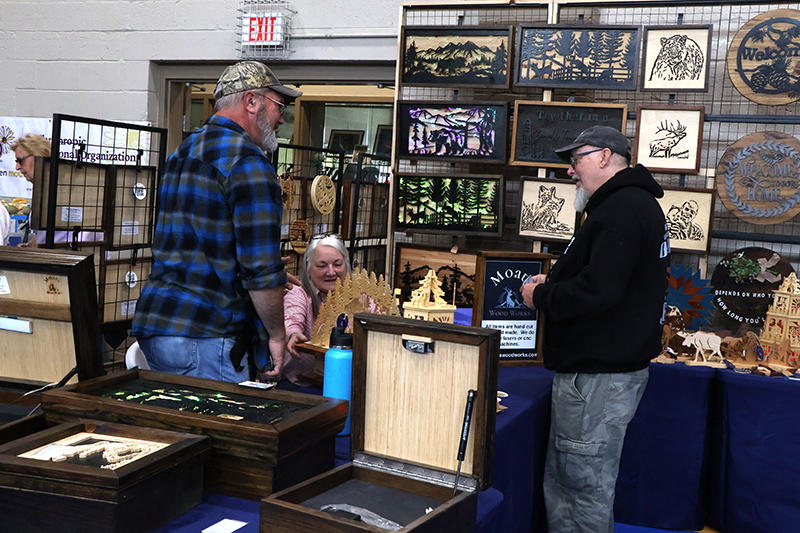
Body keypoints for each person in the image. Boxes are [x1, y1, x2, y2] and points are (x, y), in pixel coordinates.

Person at [520, 125, 670, 533]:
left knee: (580, 489)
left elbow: (599, 291)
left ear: (605, 156)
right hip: (605, 373)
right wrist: (556, 283)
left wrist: (542, 296)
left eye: (576, 160)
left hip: (597, 379)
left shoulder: (620, 209)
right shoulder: (631, 204)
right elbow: (611, 280)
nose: (571, 170)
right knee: (575, 484)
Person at [132, 61, 302, 383]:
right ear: (251, 101)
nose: (282, 118)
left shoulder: (181, 153)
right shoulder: (249, 163)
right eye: (279, 106)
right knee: (219, 418)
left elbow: (197, 246)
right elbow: (260, 272)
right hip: (207, 335)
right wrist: (277, 335)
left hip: (157, 326)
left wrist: (262, 269)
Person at [280, 234, 352, 389]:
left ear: (346, 264)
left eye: (337, 264)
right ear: (308, 267)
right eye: (321, 266)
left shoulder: (359, 295)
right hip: (303, 386)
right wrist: (293, 334)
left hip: (348, 384)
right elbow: (292, 317)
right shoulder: (299, 294)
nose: (331, 272)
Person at [10, 133, 51, 246]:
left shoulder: (60, 190)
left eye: (20, 160)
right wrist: (28, 246)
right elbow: (43, 235)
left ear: (38, 156)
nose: (17, 167)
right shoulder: (41, 190)